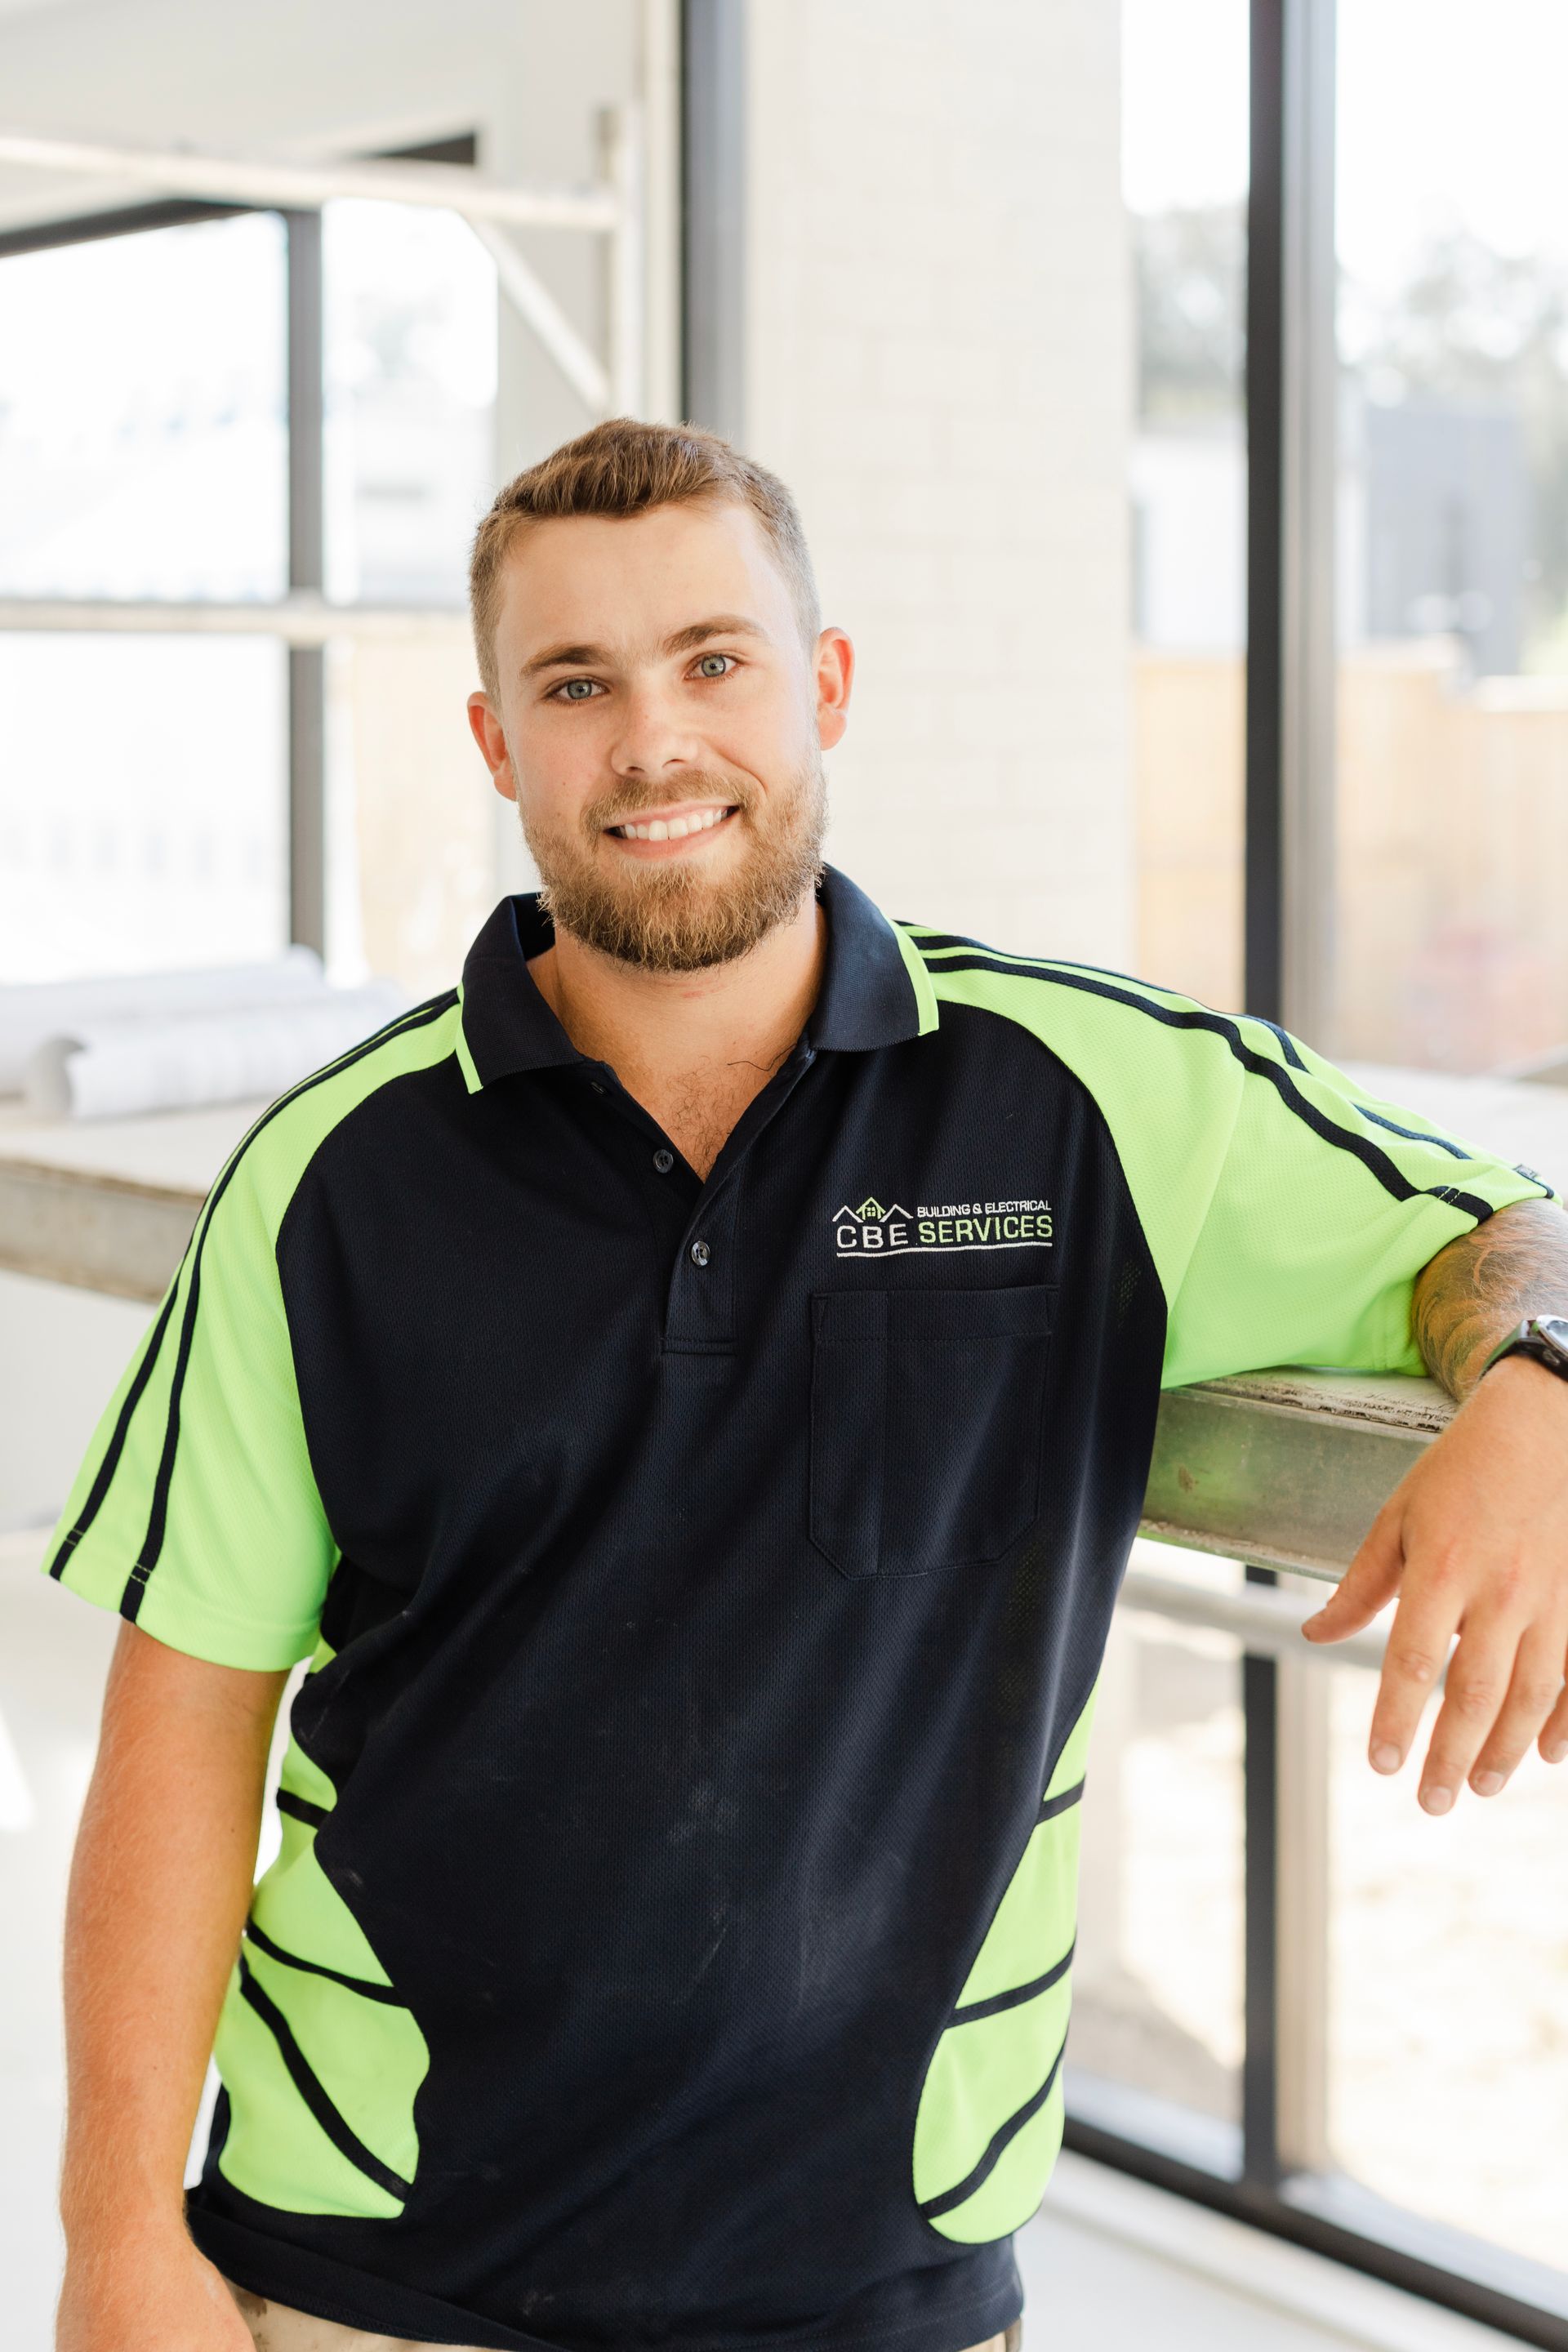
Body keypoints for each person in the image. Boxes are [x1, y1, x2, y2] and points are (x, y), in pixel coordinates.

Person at [47, 418, 1568, 2352]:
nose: (652, 743)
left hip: (881, 2289)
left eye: (714, 661)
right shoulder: (333, 1177)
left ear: (824, 686)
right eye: (575, 685)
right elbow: (182, 1730)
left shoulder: (1092, 1095)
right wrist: (117, 2241)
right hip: (366, 2263)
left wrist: (1541, 1382)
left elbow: (1506, 1225)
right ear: (496, 742)